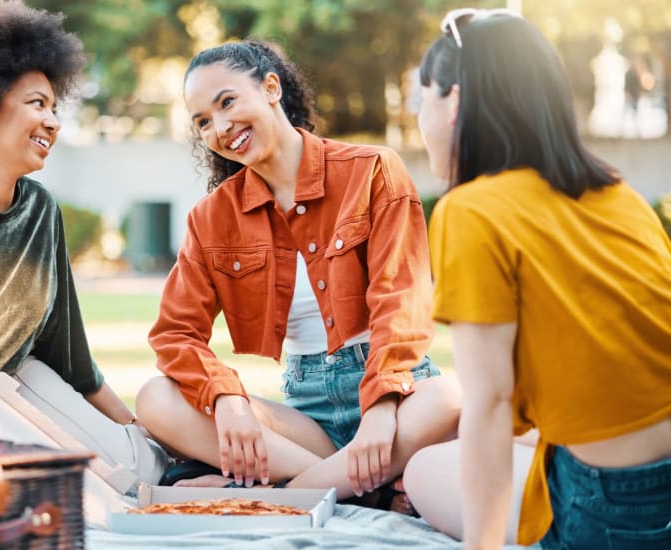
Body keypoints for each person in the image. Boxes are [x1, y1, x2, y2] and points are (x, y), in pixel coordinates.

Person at [137, 39, 461, 509]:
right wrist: (226, 398)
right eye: (203, 121)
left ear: (271, 87)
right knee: (155, 399)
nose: (221, 127)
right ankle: (366, 487)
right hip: (307, 420)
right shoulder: (211, 218)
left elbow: (402, 297)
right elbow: (175, 335)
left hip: (398, 395)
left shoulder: (373, 170)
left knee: (449, 397)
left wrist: (381, 409)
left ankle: (275, 497)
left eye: (227, 102)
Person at [403, 9, 671, 550]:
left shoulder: (471, 211)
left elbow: (491, 403)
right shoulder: (618, 194)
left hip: (619, 505)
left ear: (454, 102)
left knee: (424, 468)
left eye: (421, 100)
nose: (419, 118)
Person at [0, 0, 166, 489]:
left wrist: (137, 431)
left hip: (18, 379)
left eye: (54, 107)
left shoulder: (40, 209)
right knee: (76, 491)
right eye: (37, 104)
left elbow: (68, 355)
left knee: (144, 472)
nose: (53, 121)